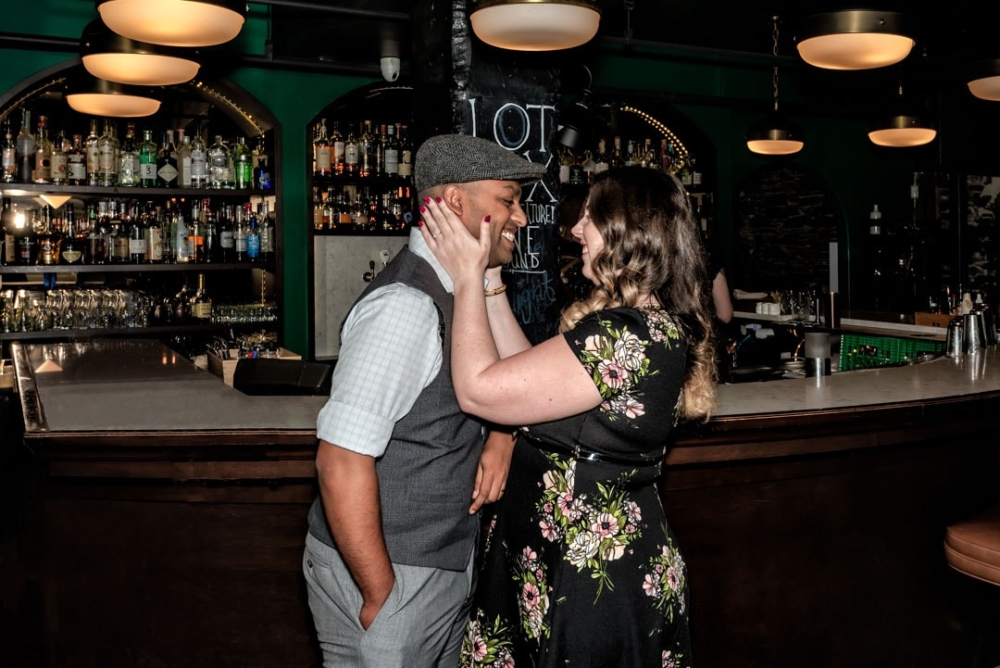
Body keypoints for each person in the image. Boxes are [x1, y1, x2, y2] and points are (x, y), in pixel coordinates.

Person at [417, 165, 717, 668]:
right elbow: (524, 377)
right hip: (572, 563)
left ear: (628, 232)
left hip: (590, 580)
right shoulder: (636, 326)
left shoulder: (627, 336)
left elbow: (479, 391)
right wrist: (491, 278)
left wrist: (466, 278)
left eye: (591, 218)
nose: (575, 229)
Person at [303, 133, 547, 668]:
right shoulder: (406, 307)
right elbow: (340, 461)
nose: (522, 217)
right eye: (508, 199)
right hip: (395, 576)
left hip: (436, 564)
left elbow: (504, 384)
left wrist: (501, 433)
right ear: (456, 202)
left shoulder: (461, 290)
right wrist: (380, 596)